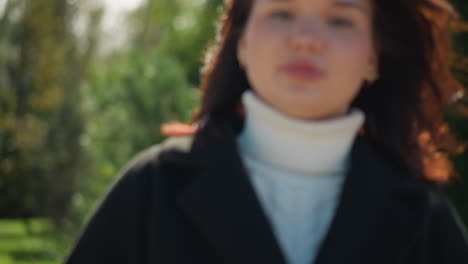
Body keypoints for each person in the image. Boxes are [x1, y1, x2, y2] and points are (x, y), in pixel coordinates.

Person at [66, 0, 468, 263]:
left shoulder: (423, 220)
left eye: (341, 20)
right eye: (281, 13)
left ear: (373, 60)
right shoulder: (153, 189)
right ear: (239, 43)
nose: (307, 39)